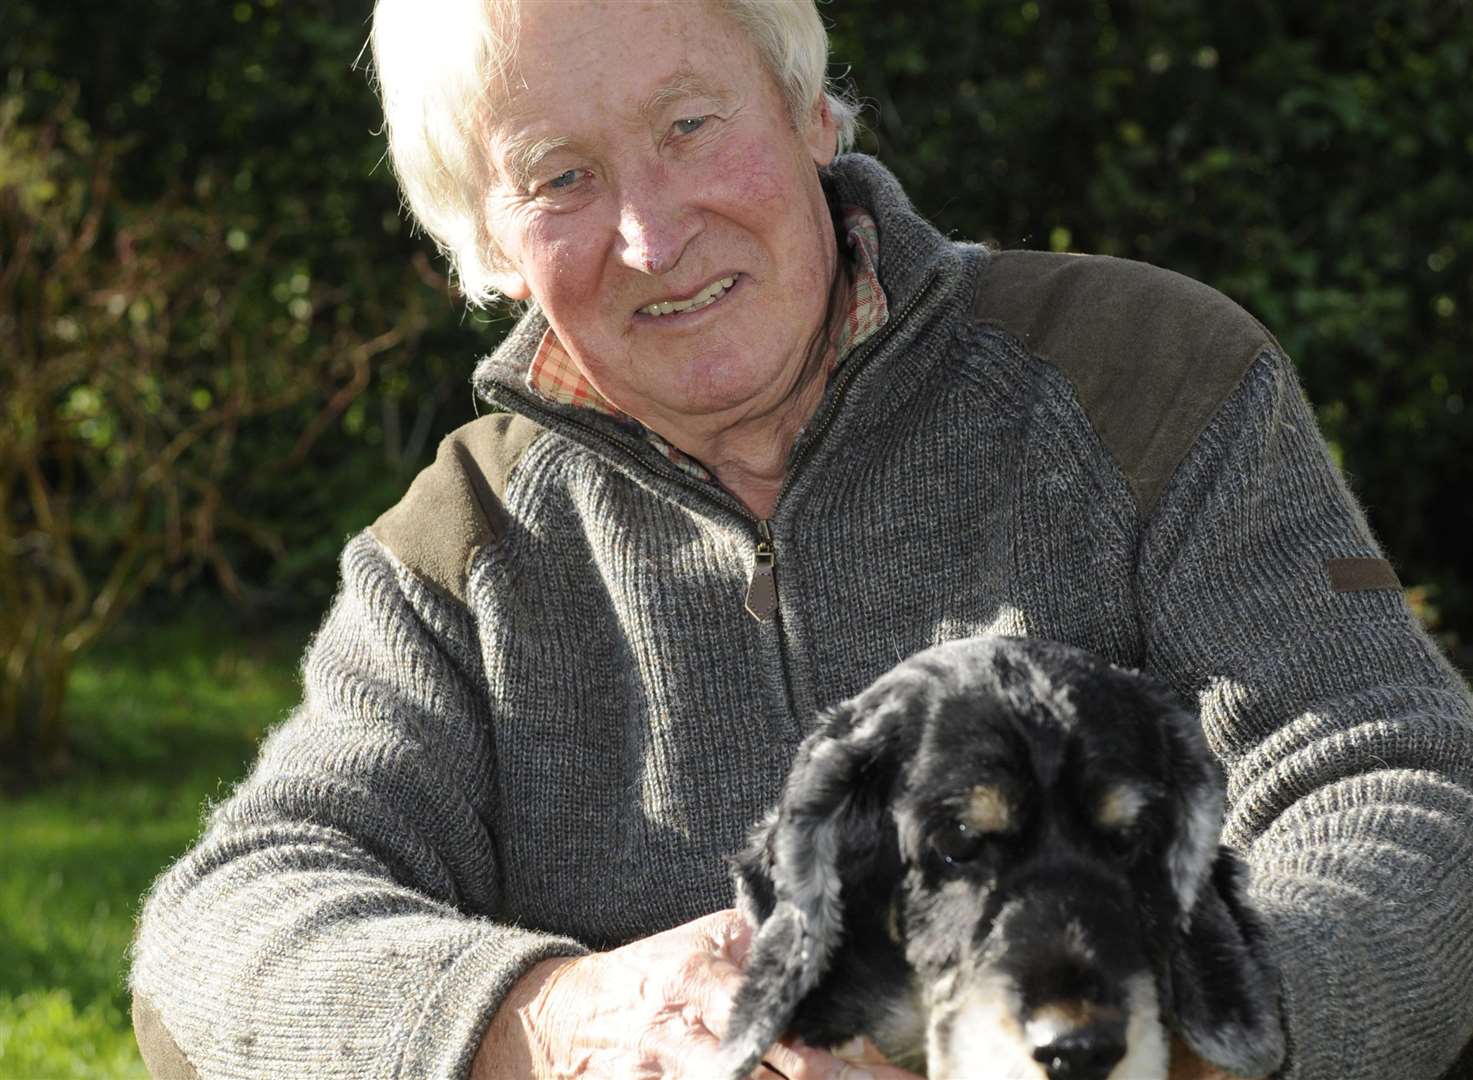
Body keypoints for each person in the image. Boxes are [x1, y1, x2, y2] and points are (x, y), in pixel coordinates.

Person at [129, 1, 1473, 1078]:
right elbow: (227, 924)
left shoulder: (1150, 375)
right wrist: (555, 1019)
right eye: (560, 177)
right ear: (483, 243)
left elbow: (1406, 788)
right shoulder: (457, 549)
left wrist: (1146, 1041)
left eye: (689, 124)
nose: (653, 236)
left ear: (810, 110)